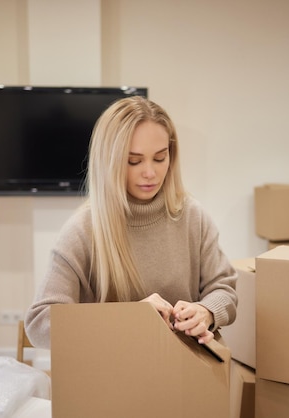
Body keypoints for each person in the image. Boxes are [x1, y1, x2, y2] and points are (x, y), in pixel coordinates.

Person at [24, 96, 238, 349]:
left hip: (184, 372)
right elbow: (39, 324)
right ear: (109, 161)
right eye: (133, 161)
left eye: (160, 158)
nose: (150, 172)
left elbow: (225, 290)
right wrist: (129, 318)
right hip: (112, 375)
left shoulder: (193, 217)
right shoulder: (83, 229)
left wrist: (206, 311)